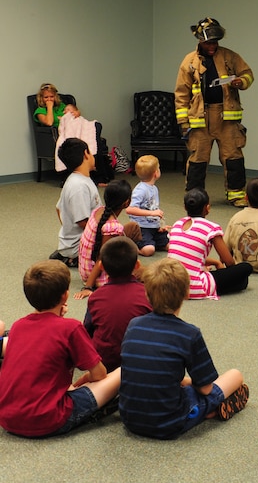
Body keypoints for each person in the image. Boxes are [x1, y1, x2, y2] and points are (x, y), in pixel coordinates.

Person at [119, 258, 249, 439]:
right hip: (168, 424)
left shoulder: (133, 325)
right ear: (187, 293)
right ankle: (208, 411)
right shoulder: (189, 334)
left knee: (179, 383)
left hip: (129, 418)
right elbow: (205, 389)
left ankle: (206, 409)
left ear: (147, 295)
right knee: (235, 375)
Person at [0, 260, 121, 438]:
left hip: (7, 418)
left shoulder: (18, 326)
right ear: (65, 296)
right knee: (122, 372)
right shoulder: (71, 328)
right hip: (48, 420)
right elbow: (99, 375)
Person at [175, 16, 254, 207]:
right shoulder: (189, 61)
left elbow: (248, 74)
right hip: (200, 118)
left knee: (233, 156)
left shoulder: (229, 56)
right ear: (200, 41)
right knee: (198, 159)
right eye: (209, 42)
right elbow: (181, 93)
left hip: (226, 117)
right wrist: (184, 123)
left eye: (215, 42)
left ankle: (236, 195)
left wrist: (240, 82)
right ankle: (195, 196)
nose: (213, 46)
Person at [167, 187, 252, 300]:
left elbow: (185, 254)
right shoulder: (211, 228)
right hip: (194, 288)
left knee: (238, 280)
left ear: (185, 207)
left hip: (171, 285)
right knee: (246, 268)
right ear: (207, 208)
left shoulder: (177, 224)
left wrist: (215, 262)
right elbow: (229, 262)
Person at [83, 237, 152, 371]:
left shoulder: (95, 297)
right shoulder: (148, 294)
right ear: (137, 265)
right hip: (139, 363)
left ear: (101, 266)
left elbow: (87, 330)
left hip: (105, 364)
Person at [34, 83, 114, 184]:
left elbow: (74, 111)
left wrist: (77, 113)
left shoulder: (62, 106)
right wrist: (49, 107)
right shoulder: (40, 111)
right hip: (62, 133)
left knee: (96, 126)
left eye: (52, 96)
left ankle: (98, 173)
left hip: (76, 128)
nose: (49, 99)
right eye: (46, 97)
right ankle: (99, 176)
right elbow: (49, 122)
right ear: (41, 98)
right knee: (94, 142)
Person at [75, 178, 140, 297]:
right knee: (144, 272)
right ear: (126, 203)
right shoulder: (113, 227)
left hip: (85, 266)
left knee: (133, 227)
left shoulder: (98, 210)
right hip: (95, 275)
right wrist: (88, 286)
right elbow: (101, 257)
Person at [49, 137, 101, 267]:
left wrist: (68, 229)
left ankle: (69, 252)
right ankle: (75, 255)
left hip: (75, 242)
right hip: (81, 245)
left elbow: (58, 209)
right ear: (85, 154)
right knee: (122, 241)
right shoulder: (79, 186)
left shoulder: (78, 180)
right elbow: (82, 221)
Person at [125, 155, 170, 256]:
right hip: (142, 228)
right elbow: (130, 209)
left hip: (153, 226)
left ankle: (155, 243)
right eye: (159, 167)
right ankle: (134, 246)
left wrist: (160, 225)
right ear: (156, 173)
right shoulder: (140, 190)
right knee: (149, 250)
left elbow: (153, 207)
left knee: (171, 246)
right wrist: (152, 213)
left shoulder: (154, 188)